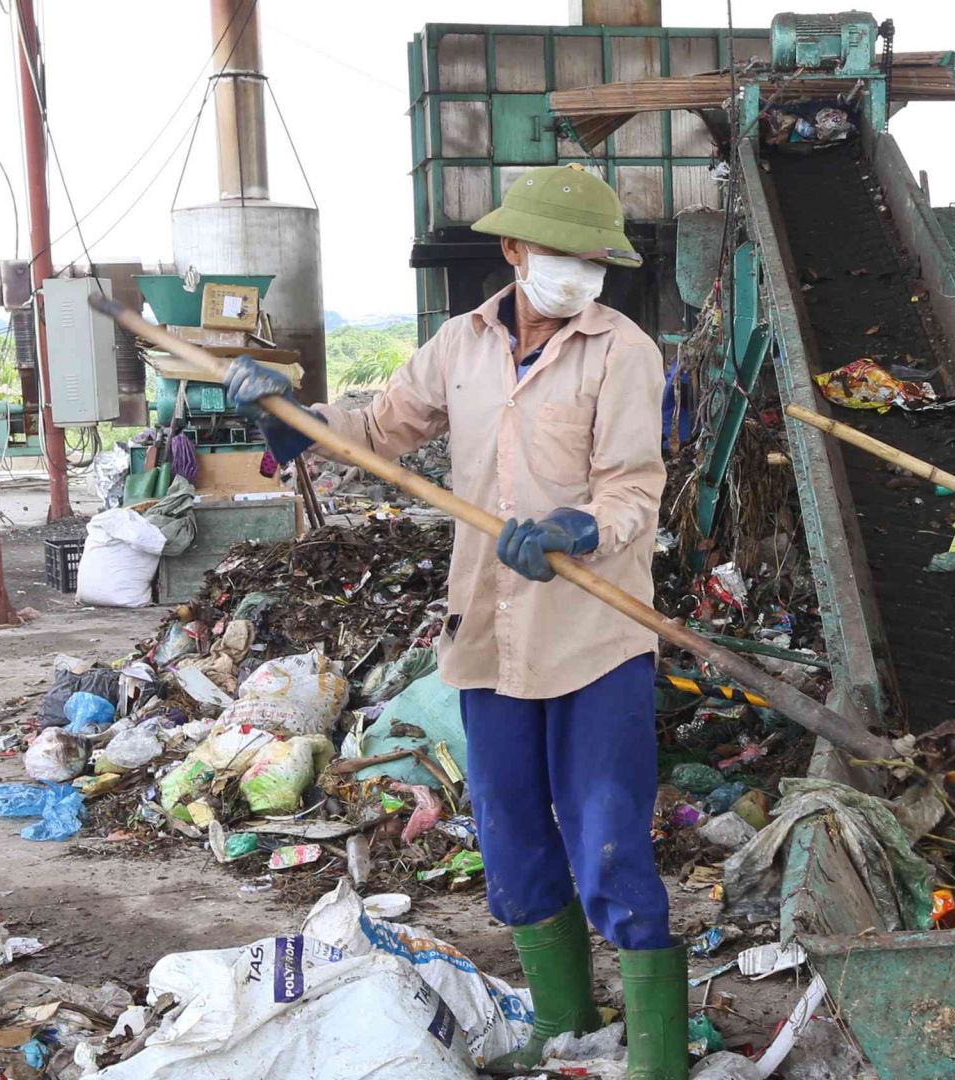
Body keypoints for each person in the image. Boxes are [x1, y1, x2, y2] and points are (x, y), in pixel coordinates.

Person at [222, 164, 685, 1078]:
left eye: (595, 259)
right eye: (562, 255)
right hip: (488, 636)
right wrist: (292, 420)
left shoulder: (623, 350)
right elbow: (383, 423)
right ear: (514, 251)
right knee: (513, 843)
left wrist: (579, 527)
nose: (579, 274)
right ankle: (569, 1034)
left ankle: (660, 1059)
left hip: (594, 636)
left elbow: (636, 485)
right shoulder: (460, 346)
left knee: (610, 843)